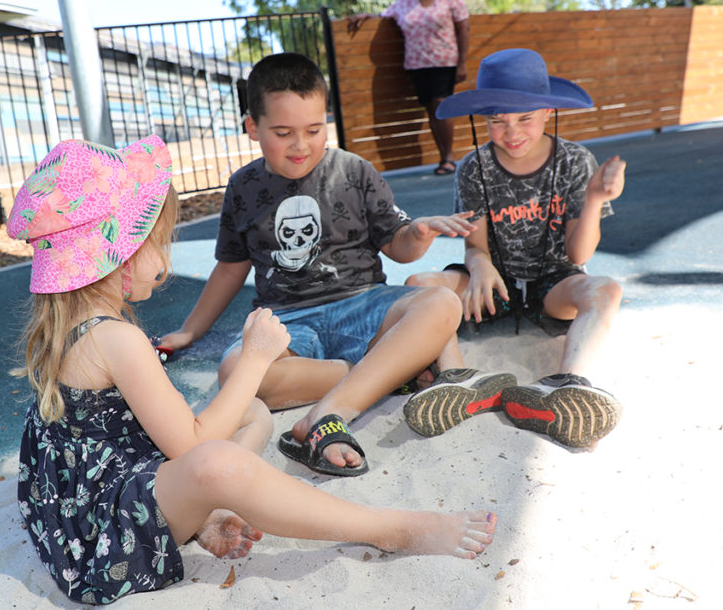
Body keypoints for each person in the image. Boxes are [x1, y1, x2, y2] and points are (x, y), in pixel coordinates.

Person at [6, 137, 498, 604]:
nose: (165, 254)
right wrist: (258, 357)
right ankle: (388, 528)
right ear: (120, 256)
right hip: (109, 529)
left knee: (252, 412)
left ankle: (210, 514)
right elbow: (193, 447)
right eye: (156, 240)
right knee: (219, 463)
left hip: (90, 498)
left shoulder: (71, 326)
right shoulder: (117, 339)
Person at [159, 52, 514, 478]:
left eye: (314, 130)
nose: (300, 144)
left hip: (363, 304)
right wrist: (190, 330)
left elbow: (398, 247)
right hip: (288, 320)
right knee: (237, 371)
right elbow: (231, 267)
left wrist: (417, 235)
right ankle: (385, 371)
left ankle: (331, 411)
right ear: (252, 127)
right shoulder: (243, 187)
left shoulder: (355, 171)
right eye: (283, 132)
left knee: (439, 304)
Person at [403, 48, 626, 449]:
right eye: (497, 121)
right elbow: (475, 246)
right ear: (483, 119)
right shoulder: (474, 167)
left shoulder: (575, 160)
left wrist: (592, 200)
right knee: (419, 282)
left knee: (606, 290)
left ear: (547, 112)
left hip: (554, 284)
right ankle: (459, 378)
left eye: (525, 118)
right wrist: (482, 263)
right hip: (491, 286)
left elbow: (579, 257)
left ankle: (566, 384)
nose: (512, 132)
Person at [347, 0, 470, 176]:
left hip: (444, 62)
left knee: (442, 104)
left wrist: (462, 62)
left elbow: (463, 27)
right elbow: (384, 16)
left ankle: (449, 157)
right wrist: (366, 16)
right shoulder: (405, 0)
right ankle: (443, 157)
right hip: (416, 64)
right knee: (431, 110)